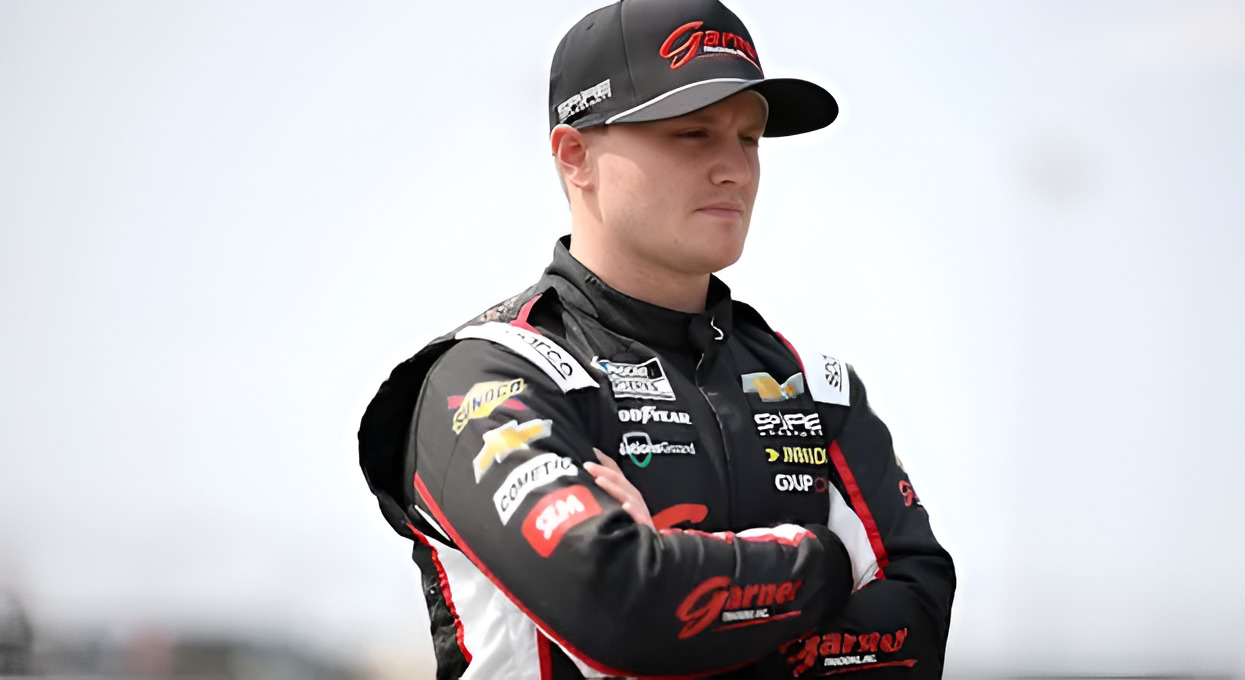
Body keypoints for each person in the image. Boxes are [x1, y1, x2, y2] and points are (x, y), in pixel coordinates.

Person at [358, 0, 955, 677]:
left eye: (750, 138)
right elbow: (619, 603)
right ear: (575, 156)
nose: (736, 169)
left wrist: (687, 585)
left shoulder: (816, 389)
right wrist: (826, 560)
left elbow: (917, 629)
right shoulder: (487, 377)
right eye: (693, 133)